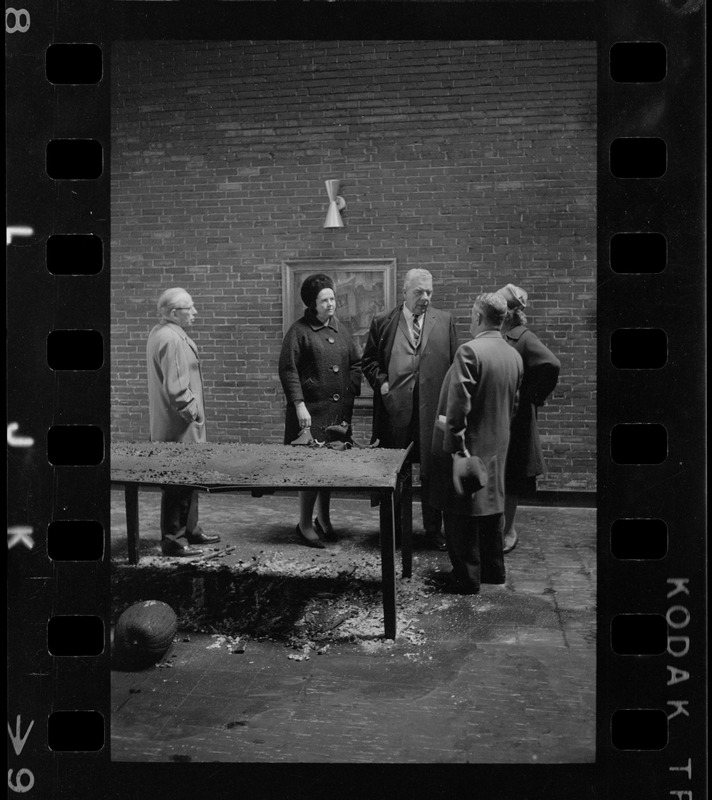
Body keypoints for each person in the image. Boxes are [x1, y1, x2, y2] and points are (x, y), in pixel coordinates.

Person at [429, 293, 523, 594]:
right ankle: (494, 573)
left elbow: (458, 407)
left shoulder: (470, 351)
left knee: (460, 513)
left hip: (469, 446)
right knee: (493, 508)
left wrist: (456, 448)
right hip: (498, 446)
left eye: (472, 316)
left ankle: (466, 579)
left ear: (479, 317)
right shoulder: (514, 355)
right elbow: (514, 406)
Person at [362, 268, 458, 550]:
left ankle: (432, 530)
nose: (425, 297)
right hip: (396, 412)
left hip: (433, 412)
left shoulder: (445, 321)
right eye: (419, 292)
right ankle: (394, 530)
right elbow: (368, 362)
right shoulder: (383, 322)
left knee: (434, 472)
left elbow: (455, 366)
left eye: (429, 292)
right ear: (405, 292)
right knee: (395, 472)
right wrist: (381, 384)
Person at [278, 274, 362, 548]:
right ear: (312, 304)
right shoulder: (299, 332)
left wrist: (350, 392)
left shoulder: (342, 331)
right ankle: (304, 523)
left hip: (337, 415)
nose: (331, 304)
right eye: (324, 300)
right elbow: (288, 370)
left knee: (329, 469)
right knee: (310, 470)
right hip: (310, 414)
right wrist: (299, 404)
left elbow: (356, 364)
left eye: (333, 298)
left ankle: (323, 520)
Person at [146, 288, 221, 557]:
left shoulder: (161, 332)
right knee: (178, 482)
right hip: (179, 427)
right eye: (190, 308)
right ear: (174, 313)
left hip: (173, 424)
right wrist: (195, 414)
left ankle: (191, 529)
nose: (195, 312)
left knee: (187, 479)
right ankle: (174, 541)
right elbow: (178, 390)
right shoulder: (172, 338)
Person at [496, 284, 561, 554]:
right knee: (499, 475)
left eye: (500, 306)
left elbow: (551, 364)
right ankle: (497, 527)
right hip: (500, 418)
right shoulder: (502, 336)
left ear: (510, 312)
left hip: (517, 422)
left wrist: (533, 396)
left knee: (512, 477)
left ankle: (508, 530)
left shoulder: (522, 337)